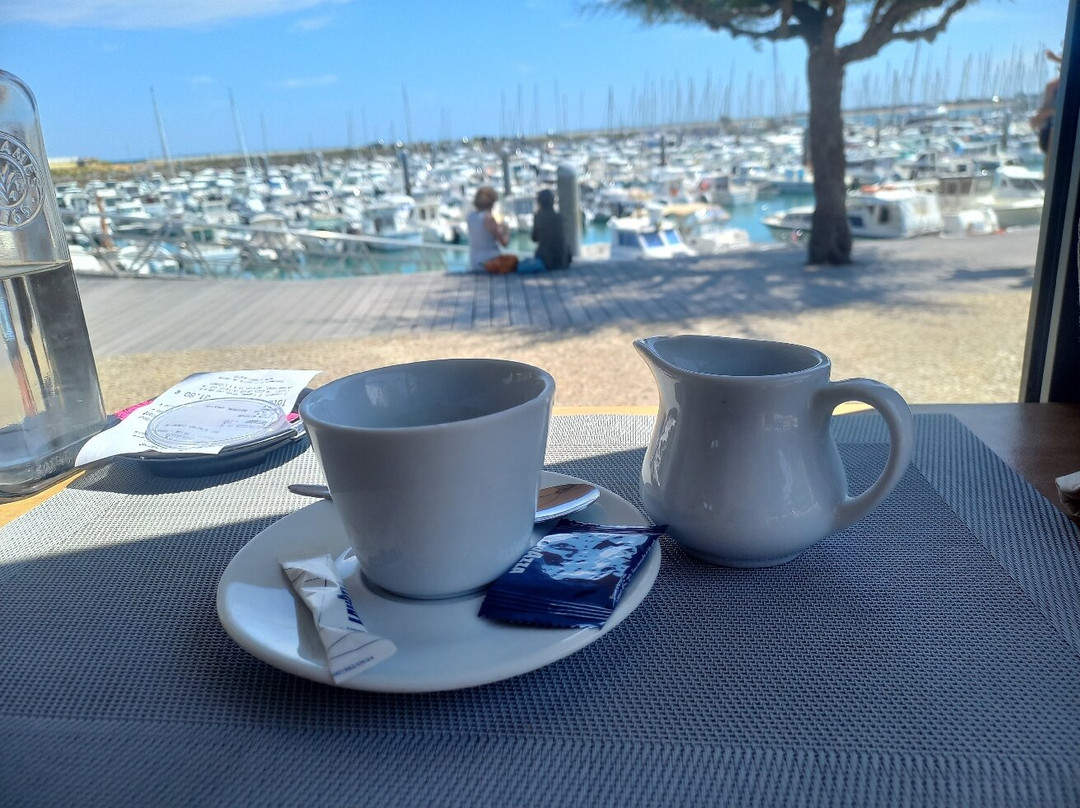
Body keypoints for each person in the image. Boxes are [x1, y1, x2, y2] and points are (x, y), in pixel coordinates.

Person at [519, 188, 571, 273]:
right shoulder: (559, 217)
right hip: (563, 260)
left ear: (539, 202)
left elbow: (534, 238)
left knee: (521, 265)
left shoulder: (538, 217)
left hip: (546, 261)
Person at [466, 186, 516, 273]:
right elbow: (504, 243)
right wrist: (506, 230)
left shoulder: (470, 216)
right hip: (490, 262)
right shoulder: (489, 218)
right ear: (492, 203)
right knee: (514, 260)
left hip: (474, 261)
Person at [1031, 50, 1062, 170]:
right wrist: (1053, 112)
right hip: (1052, 141)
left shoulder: (1053, 87)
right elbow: (1034, 123)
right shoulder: (1052, 87)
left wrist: (1056, 58)